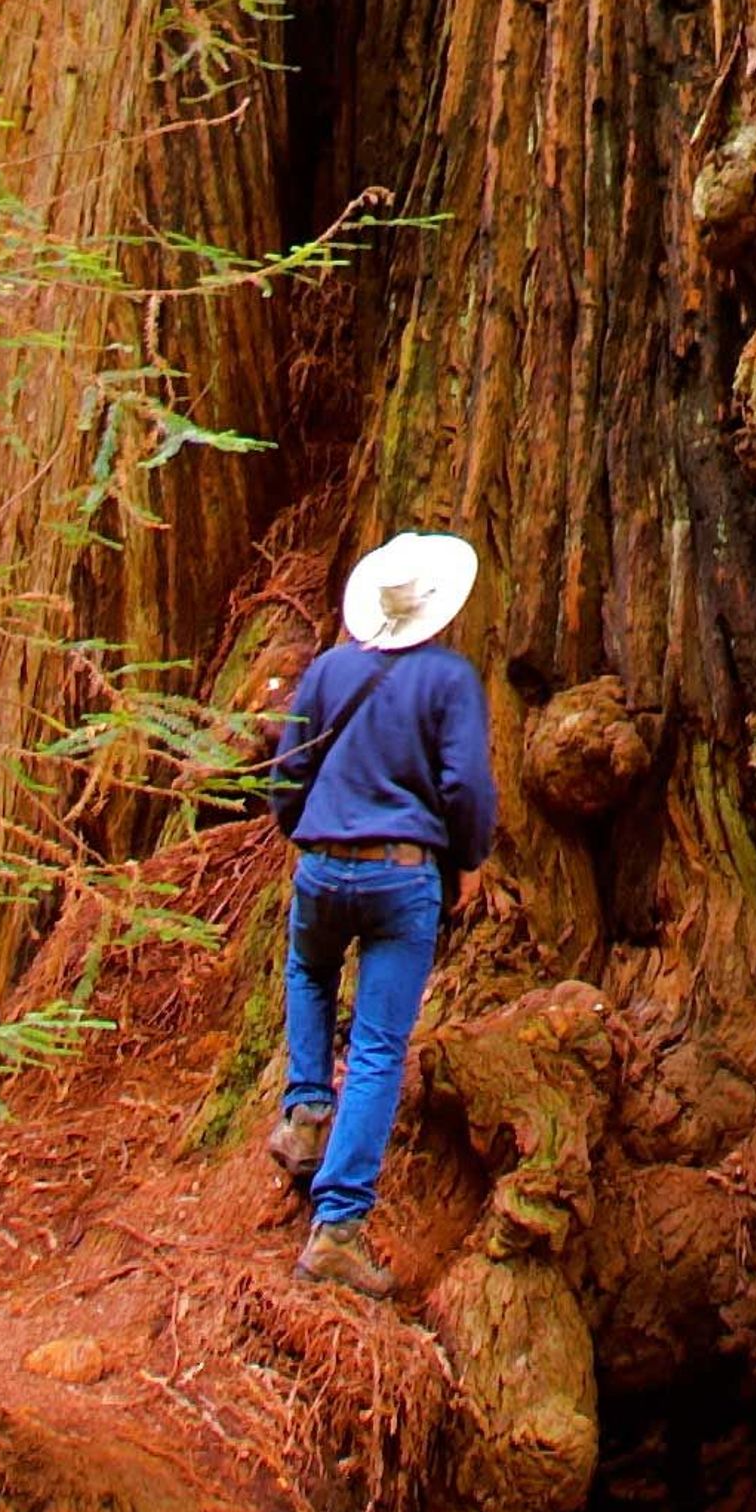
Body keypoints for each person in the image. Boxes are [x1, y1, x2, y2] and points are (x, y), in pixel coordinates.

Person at [266, 530, 497, 1293]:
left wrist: (303, 829)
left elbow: (289, 770)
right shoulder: (450, 679)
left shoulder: (329, 670)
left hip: (322, 867)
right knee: (375, 1048)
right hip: (403, 878)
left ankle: (303, 1115)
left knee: (308, 968)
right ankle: (337, 1227)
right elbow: (465, 785)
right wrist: (467, 858)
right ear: (435, 610)